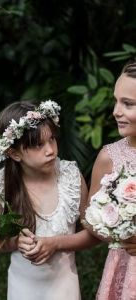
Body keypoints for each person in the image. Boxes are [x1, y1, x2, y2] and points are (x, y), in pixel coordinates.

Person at [0, 100, 98, 300]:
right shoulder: (2, 186)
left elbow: (93, 235)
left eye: (52, 139)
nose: (51, 150)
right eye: (38, 145)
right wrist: (15, 242)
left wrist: (55, 243)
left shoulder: (71, 176)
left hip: (64, 287)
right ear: (14, 153)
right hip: (23, 288)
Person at [87, 61, 136, 300]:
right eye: (116, 101)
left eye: (128, 104)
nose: (116, 111)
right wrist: (119, 233)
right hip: (125, 266)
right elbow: (89, 217)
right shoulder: (109, 157)